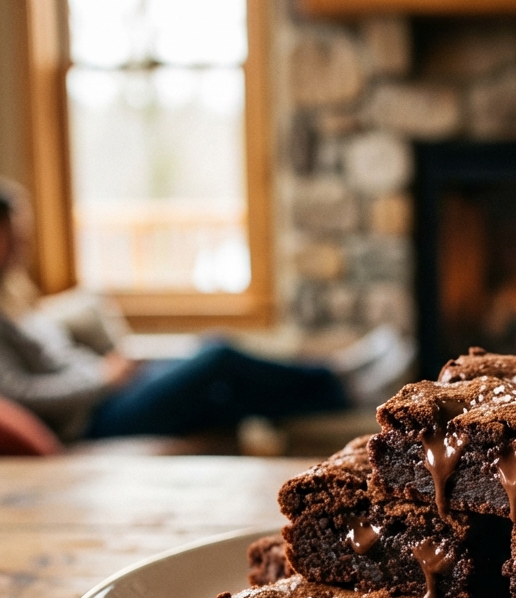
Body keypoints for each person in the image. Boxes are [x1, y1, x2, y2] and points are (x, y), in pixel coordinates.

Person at [0, 185, 412, 445]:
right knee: (218, 356)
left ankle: (350, 389)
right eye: (12, 233)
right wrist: (101, 377)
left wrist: (113, 368)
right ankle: (341, 377)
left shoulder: (13, 293)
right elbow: (19, 395)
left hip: (110, 390)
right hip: (92, 418)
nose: (22, 242)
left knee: (229, 397)